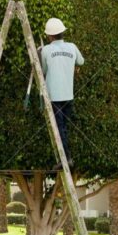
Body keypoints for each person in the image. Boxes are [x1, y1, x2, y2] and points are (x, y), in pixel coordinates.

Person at [41, 17, 84, 170]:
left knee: (59, 129)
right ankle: (66, 158)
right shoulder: (72, 47)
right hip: (68, 95)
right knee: (63, 127)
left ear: (50, 36)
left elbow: (43, 72)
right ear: (62, 33)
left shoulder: (46, 50)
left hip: (54, 96)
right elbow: (81, 61)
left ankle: (66, 160)